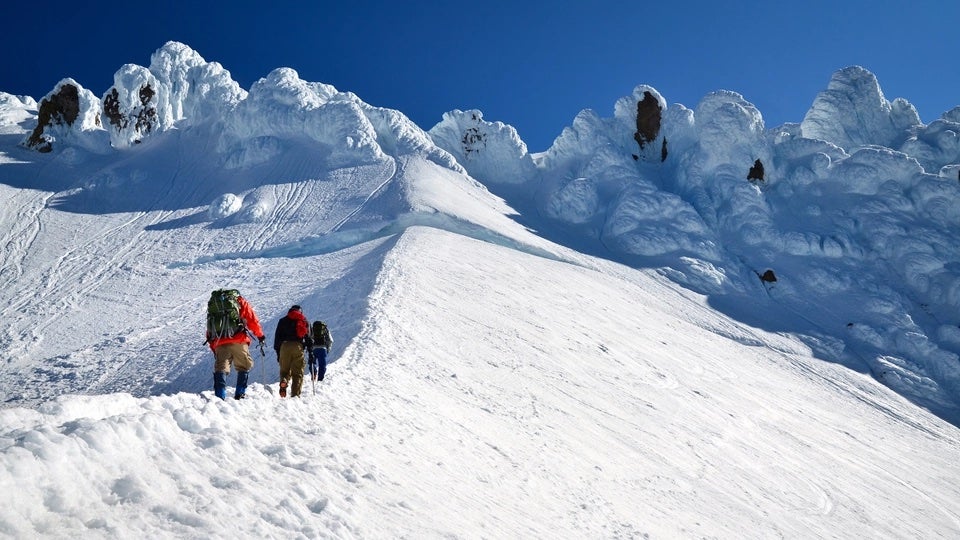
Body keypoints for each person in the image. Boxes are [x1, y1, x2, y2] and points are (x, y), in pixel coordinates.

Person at [206, 290, 265, 400]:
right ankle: (240, 394)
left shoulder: (215, 306)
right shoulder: (240, 301)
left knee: (221, 368)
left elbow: (210, 327)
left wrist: (214, 346)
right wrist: (260, 335)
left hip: (220, 341)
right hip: (238, 340)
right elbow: (252, 320)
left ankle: (220, 397)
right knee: (244, 366)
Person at [273, 305, 313, 397]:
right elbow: (309, 338)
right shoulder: (304, 320)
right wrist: (310, 351)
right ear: (300, 312)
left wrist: (278, 353)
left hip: (284, 346)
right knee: (298, 373)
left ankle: (284, 381)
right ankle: (295, 395)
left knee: (284, 370)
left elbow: (277, 338)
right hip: (298, 347)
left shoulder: (282, 320)